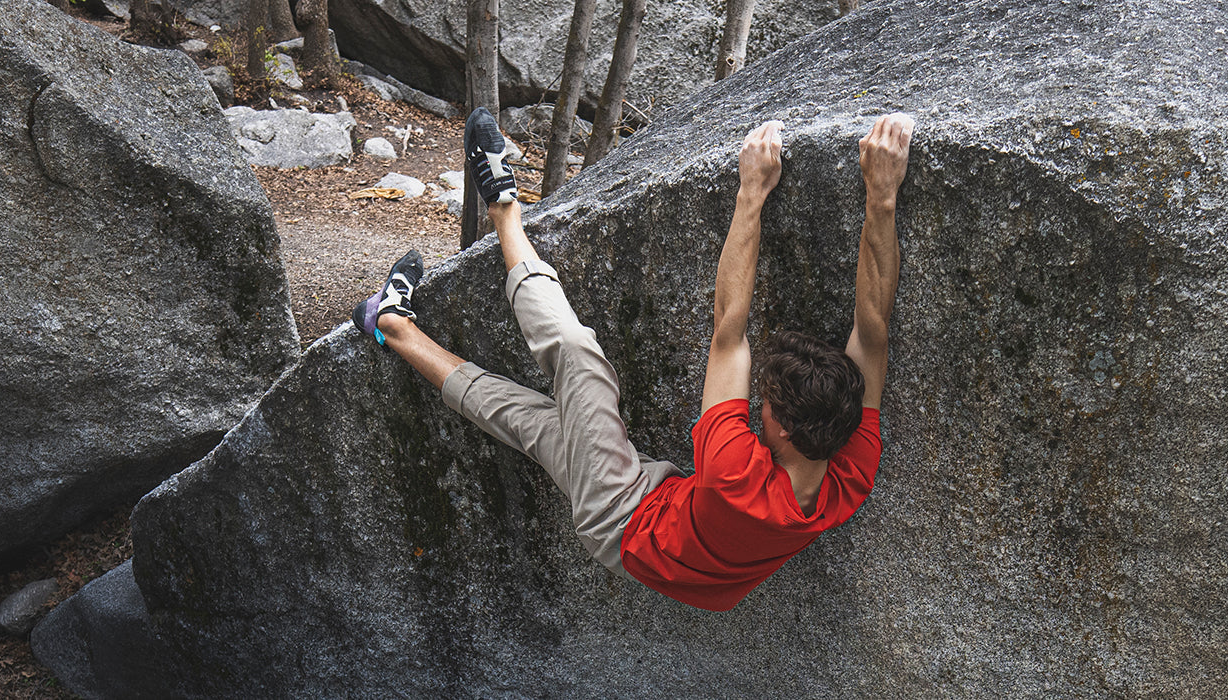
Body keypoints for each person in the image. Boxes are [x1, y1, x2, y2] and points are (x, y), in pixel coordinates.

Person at [355, 108, 913, 612]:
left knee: (577, 358)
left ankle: (504, 208)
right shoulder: (849, 475)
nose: (756, 409)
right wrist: (881, 198)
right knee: (533, 422)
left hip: (622, 515)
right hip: (665, 540)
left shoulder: (735, 472)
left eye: (765, 407)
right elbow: (873, 333)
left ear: (786, 430)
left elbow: (729, 330)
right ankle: (392, 325)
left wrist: (751, 195)